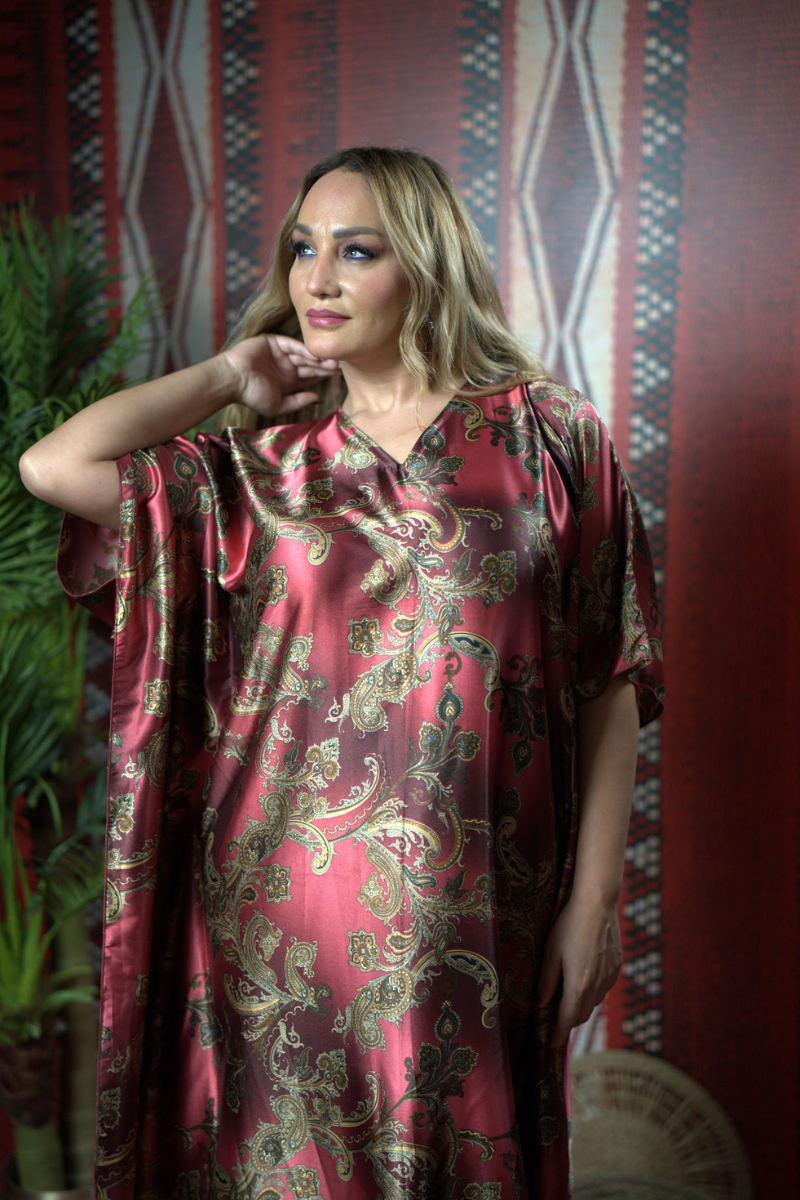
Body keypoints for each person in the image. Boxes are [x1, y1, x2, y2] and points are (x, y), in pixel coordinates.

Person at [20, 147, 663, 1200]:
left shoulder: (550, 440)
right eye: (302, 249)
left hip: (480, 916)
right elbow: (53, 466)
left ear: (425, 262)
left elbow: (609, 681)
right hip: (277, 925)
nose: (317, 279)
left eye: (356, 251)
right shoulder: (260, 472)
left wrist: (592, 902)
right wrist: (230, 379)